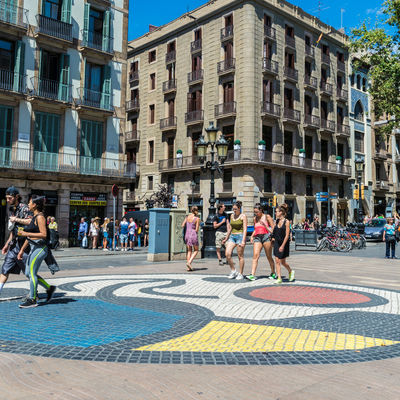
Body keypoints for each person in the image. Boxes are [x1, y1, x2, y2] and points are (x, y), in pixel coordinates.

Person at [17, 195, 56, 308]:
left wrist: (25, 234)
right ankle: (49, 289)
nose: (28, 204)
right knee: (29, 273)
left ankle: (32, 299)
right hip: (34, 247)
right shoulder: (34, 216)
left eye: (29, 203)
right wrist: (21, 250)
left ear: (34, 205)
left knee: (32, 273)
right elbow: (29, 237)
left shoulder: (40, 217)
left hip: (40, 248)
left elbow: (43, 235)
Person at [247, 203, 275, 281]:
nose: (255, 214)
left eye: (257, 212)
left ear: (261, 210)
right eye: (254, 212)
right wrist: (252, 236)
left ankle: (273, 272)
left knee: (269, 256)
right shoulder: (255, 219)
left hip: (266, 237)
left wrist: (273, 238)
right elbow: (256, 229)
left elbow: (273, 228)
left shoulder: (267, 217)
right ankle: (252, 274)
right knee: (255, 256)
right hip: (257, 237)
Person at [223, 201, 247, 280]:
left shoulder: (243, 216)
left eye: (236, 209)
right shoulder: (232, 216)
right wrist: (226, 238)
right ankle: (233, 271)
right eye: (233, 209)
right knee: (227, 254)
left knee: (240, 256)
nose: (234, 210)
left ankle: (240, 273)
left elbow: (245, 229)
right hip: (232, 236)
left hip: (240, 236)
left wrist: (243, 240)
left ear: (239, 208)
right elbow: (230, 228)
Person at [273, 204, 295, 285]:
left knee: (283, 262)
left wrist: (282, 246)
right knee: (277, 261)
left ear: (281, 212)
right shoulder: (277, 221)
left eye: (276, 212)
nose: (275, 213)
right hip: (277, 242)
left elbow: (287, 235)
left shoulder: (287, 222)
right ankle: (279, 278)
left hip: (284, 244)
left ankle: (290, 271)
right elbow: (273, 232)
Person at [182, 206, 200, 271]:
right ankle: (189, 262)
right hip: (193, 234)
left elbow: (182, 225)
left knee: (189, 250)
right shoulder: (197, 219)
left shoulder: (187, 217)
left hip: (187, 234)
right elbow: (197, 229)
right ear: (196, 211)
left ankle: (188, 267)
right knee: (196, 250)